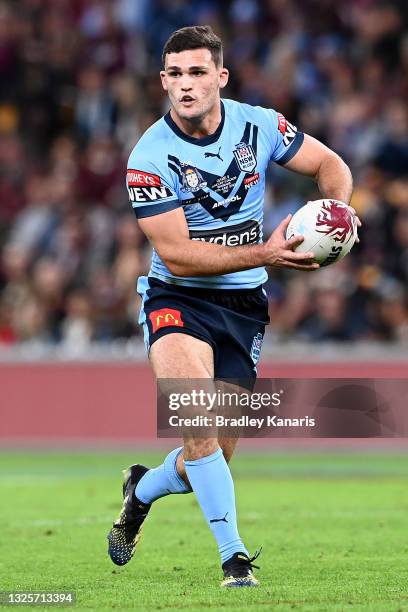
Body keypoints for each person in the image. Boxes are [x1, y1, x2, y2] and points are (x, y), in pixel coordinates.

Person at [107, 25, 356, 587]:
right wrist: (264, 251)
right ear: (163, 81)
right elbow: (178, 254)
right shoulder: (149, 155)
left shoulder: (260, 125)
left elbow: (331, 164)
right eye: (175, 74)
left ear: (221, 77)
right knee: (196, 426)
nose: (186, 85)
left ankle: (140, 489)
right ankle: (235, 560)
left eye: (198, 72)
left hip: (243, 306)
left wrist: (336, 215)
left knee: (209, 460)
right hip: (177, 298)